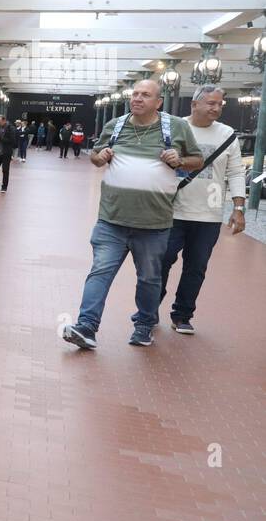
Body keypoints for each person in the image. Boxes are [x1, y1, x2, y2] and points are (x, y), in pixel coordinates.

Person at [62, 80, 202, 350]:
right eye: (135, 94)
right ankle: (86, 327)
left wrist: (180, 160)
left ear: (158, 102)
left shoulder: (176, 127)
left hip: (153, 224)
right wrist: (99, 156)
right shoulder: (115, 125)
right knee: (99, 272)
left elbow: (197, 160)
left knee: (149, 278)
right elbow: (95, 155)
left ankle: (144, 324)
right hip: (111, 220)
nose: (137, 99)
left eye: (145, 95)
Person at [158, 86, 247, 334]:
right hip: (172, 210)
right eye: (210, 103)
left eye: (220, 104)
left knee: (196, 267)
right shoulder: (176, 127)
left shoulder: (227, 134)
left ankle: (183, 314)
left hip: (208, 214)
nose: (216, 108)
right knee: (161, 261)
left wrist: (238, 208)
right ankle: (149, 308)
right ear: (194, 105)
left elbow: (236, 172)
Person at [0, 114, 17, 193]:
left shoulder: (11, 128)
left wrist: (0, 138)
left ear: (4, 120)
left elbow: (12, 141)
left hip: (6, 153)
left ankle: (4, 187)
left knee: (5, 170)